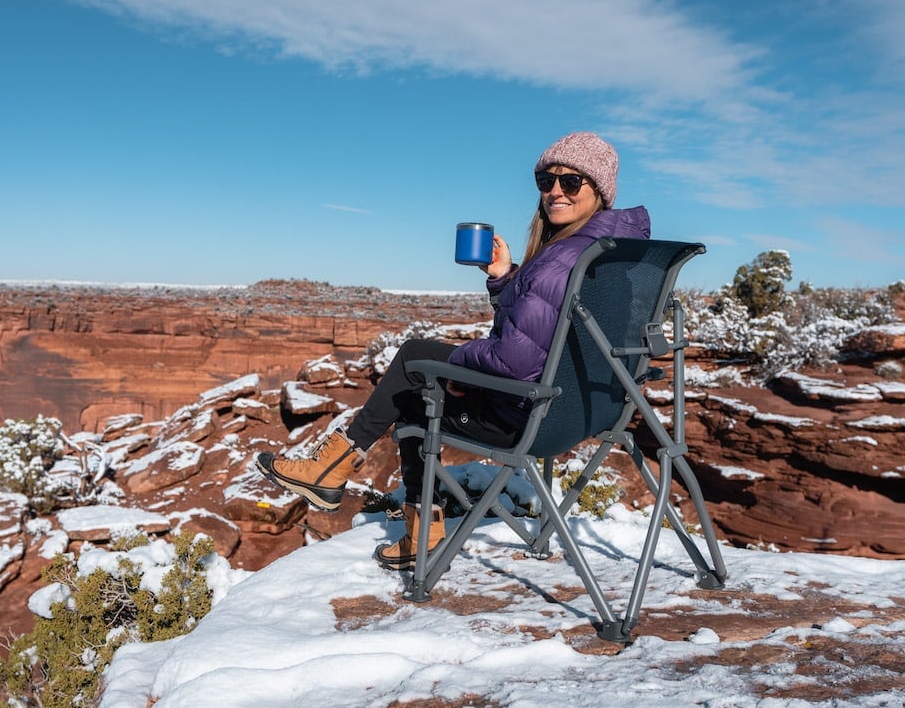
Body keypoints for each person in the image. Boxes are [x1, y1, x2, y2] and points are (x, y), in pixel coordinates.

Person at [256, 131, 651, 569]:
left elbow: (515, 361)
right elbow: (545, 335)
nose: (555, 191)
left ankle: (383, 505)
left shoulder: (562, 258)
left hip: (531, 418)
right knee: (422, 368)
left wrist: (454, 367)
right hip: (582, 413)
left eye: (572, 182)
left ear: (600, 190)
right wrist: (504, 279)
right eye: (546, 180)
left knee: (414, 370)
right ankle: (344, 478)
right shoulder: (611, 253)